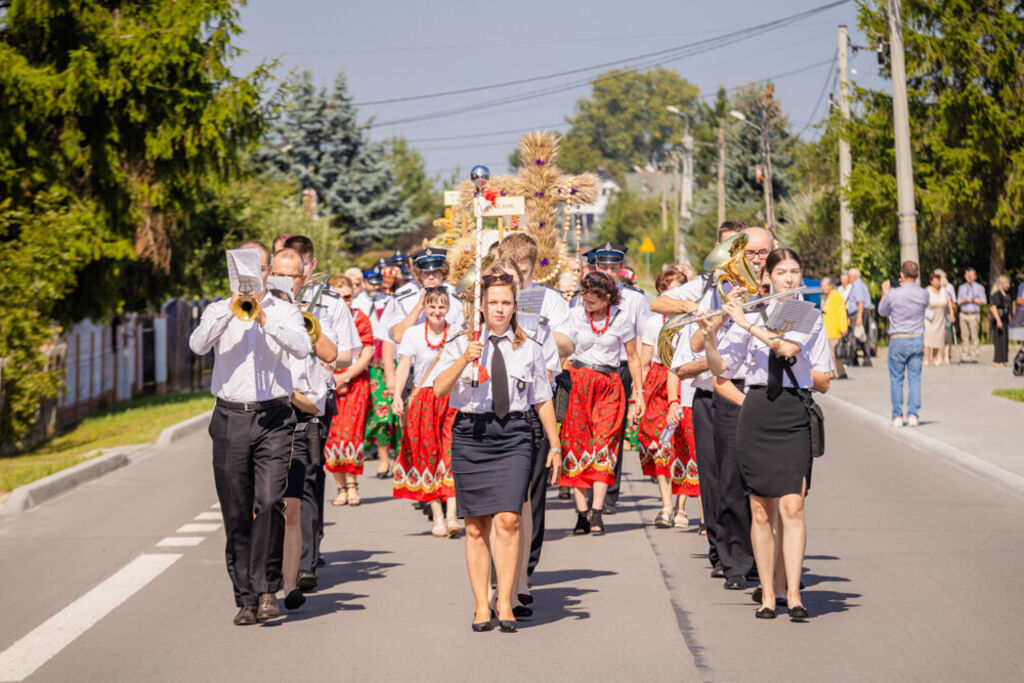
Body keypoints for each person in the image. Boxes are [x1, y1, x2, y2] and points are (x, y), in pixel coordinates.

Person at [699, 247, 832, 620]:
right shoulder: (752, 314)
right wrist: (710, 336)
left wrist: (745, 324)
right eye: (782, 272)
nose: (789, 278)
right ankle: (768, 595)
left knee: (793, 504)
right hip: (757, 411)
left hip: (792, 411)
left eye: (795, 271)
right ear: (768, 278)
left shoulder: (806, 313)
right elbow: (722, 371)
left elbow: (787, 348)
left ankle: (794, 593)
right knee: (760, 512)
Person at [433, 265, 561, 634]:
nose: (500, 309)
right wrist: (463, 359)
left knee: (509, 518)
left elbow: (541, 399)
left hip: (514, 435)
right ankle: (480, 605)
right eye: (493, 303)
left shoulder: (530, 348)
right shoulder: (461, 343)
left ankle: (505, 599)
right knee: (475, 525)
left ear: (515, 306)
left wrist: (555, 445)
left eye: (506, 302)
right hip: (472, 435)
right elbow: (440, 390)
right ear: (482, 306)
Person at [189, 240, 310, 625]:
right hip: (229, 419)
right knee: (237, 512)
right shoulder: (216, 309)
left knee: (271, 500)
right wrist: (230, 310)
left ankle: (268, 588)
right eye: (242, 267)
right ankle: (245, 597)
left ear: (268, 272)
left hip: (273, 418)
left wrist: (262, 317)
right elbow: (197, 345)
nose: (250, 274)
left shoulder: (285, 311)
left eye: (257, 267)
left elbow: (302, 347)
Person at [654, 220, 745, 575]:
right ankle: (719, 547)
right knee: (712, 476)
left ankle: (740, 552)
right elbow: (660, 302)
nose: (733, 259)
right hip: (707, 389)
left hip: (743, 386)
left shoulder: (759, 286)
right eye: (727, 249)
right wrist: (693, 310)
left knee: (740, 476)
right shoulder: (706, 285)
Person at [283, 235, 360, 593]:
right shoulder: (270, 303)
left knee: (309, 479)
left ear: (311, 266)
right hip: (276, 400)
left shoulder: (331, 304)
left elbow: (346, 355)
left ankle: (305, 564)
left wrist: (317, 338)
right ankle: (277, 556)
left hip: (313, 400)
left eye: (300, 267)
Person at [267, 249, 332, 613]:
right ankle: (264, 579)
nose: (285, 283)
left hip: (295, 428)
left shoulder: (309, 323)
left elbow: (318, 397)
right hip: (260, 425)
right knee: (262, 508)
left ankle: (290, 583)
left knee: (292, 509)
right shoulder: (255, 316)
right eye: (278, 275)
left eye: (293, 276)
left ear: (303, 277)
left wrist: (289, 393)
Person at [558, 271, 643, 534]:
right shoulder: (574, 315)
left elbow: (633, 356)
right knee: (576, 445)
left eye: (593, 303)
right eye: (584, 300)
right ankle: (581, 512)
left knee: (604, 446)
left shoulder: (621, 318)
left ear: (607, 298)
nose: (588, 306)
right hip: (578, 382)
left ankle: (597, 510)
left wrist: (638, 392)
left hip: (608, 385)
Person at [391, 287, 461, 538]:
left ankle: (453, 514)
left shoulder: (456, 333)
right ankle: (438, 516)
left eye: (441, 306)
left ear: (448, 308)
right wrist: (397, 395)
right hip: (423, 399)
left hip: (452, 398)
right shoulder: (412, 335)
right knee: (428, 455)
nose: (437, 311)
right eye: (432, 306)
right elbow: (404, 367)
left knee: (451, 454)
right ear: (424, 308)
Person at [587, 242, 650, 514]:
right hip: (589, 368)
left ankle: (608, 493)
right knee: (587, 430)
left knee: (614, 431)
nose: (610, 272)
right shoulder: (584, 297)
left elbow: (644, 338)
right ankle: (587, 483)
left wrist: (640, 384)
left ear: (621, 269)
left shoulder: (634, 299)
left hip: (622, 368)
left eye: (615, 267)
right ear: (596, 267)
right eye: (605, 267)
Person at [638, 269, 699, 528]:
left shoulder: (692, 322)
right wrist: (638, 396)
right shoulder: (654, 323)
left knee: (683, 441)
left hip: (684, 379)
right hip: (657, 381)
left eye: (679, 291)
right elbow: (643, 362)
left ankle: (681, 506)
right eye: (669, 292)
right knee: (658, 442)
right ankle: (665, 505)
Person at [324, 275, 375, 507]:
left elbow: (366, 353)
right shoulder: (322, 319)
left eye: (348, 297)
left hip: (355, 384)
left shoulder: (360, 318)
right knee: (332, 436)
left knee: (351, 436)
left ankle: (353, 485)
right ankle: (340, 487)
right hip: (328, 384)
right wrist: (333, 377)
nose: (344, 301)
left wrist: (345, 375)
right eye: (339, 297)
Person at [878, 261, 930, 427]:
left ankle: (897, 416)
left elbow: (881, 311)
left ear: (901, 275)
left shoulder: (893, 295)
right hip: (917, 337)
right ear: (917, 276)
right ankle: (913, 414)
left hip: (898, 338)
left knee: (897, 379)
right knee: (915, 379)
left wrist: (885, 292)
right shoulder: (924, 294)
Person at [924, 272, 955, 366]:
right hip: (929, 317)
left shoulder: (944, 291)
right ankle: (926, 358)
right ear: (931, 281)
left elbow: (949, 303)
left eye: (939, 280)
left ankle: (935, 358)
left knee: (938, 338)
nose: (938, 282)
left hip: (940, 317)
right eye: (935, 280)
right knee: (928, 339)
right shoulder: (927, 291)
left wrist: (952, 314)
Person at [820, 277, 849, 379]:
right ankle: (840, 372)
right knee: (832, 353)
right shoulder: (824, 298)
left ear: (830, 285)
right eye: (821, 286)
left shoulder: (836, 296)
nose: (822, 288)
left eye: (824, 286)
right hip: (826, 329)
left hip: (834, 329)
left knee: (833, 353)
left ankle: (834, 373)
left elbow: (841, 312)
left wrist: (843, 327)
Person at [845, 267, 873, 367]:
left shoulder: (857, 285)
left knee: (855, 335)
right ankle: (866, 358)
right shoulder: (859, 284)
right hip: (860, 312)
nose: (848, 278)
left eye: (849, 276)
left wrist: (859, 318)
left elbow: (860, 302)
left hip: (858, 312)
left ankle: (854, 359)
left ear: (854, 276)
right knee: (862, 335)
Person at [957, 268, 986, 363]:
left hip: (973, 314)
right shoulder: (961, 287)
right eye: (967, 275)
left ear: (975, 277)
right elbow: (958, 301)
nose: (969, 277)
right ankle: (965, 355)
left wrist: (972, 300)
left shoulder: (979, 287)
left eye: (971, 275)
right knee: (964, 336)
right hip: (963, 313)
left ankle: (974, 355)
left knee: (974, 335)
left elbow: (983, 301)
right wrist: (963, 301)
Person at [990, 274, 1012, 367]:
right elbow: (993, 307)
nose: (1008, 285)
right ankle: (997, 360)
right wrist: (998, 320)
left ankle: (1003, 360)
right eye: (1006, 283)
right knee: (998, 340)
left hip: (1005, 319)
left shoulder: (1006, 295)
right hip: (998, 319)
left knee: (1004, 340)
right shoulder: (996, 294)